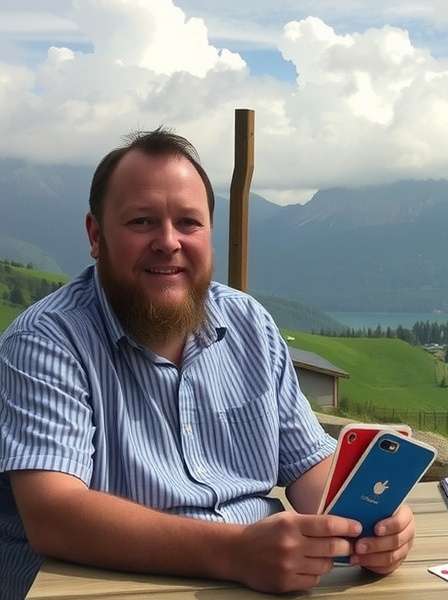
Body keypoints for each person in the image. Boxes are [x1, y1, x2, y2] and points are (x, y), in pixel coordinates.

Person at [0, 129, 415, 600]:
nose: (168, 242)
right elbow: (53, 516)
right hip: (108, 585)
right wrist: (235, 553)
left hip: (264, 583)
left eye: (189, 223)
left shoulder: (249, 323)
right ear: (96, 236)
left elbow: (308, 465)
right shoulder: (47, 340)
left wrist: (371, 522)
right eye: (141, 222)